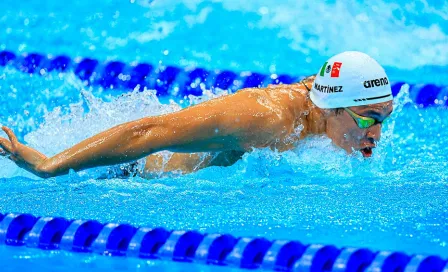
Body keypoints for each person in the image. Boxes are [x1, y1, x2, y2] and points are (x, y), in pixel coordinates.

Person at [0, 51, 393, 179]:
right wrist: (49, 165)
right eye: (368, 118)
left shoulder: (324, 110)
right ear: (332, 107)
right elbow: (150, 131)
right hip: (135, 174)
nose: (376, 133)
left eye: (383, 119)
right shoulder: (266, 118)